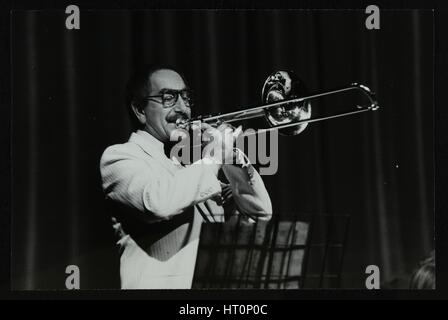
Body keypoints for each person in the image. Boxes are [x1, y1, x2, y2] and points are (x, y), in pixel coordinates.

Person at [100, 65, 272, 289]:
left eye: (186, 98)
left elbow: (260, 215)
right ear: (139, 110)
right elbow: (156, 204)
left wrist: (230, 157)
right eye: (169, 98)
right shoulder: (119, 157)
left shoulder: (188, 170)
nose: (183, 108)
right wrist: (214, 158)